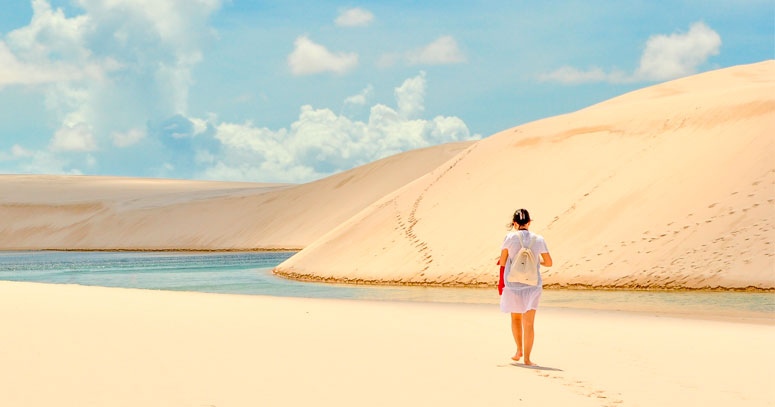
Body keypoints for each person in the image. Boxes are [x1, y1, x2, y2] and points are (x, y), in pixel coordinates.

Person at [497, 208, 552, 366]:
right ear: (529, 222)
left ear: (515, 223)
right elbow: (549, 263)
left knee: (515, 318)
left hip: (513, 284)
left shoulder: (509, 237)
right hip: (532, 285)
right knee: (529, 323)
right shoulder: (539, 239)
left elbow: (502, 261)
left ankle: (518, 350)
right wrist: (536, 262)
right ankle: (527, 359)